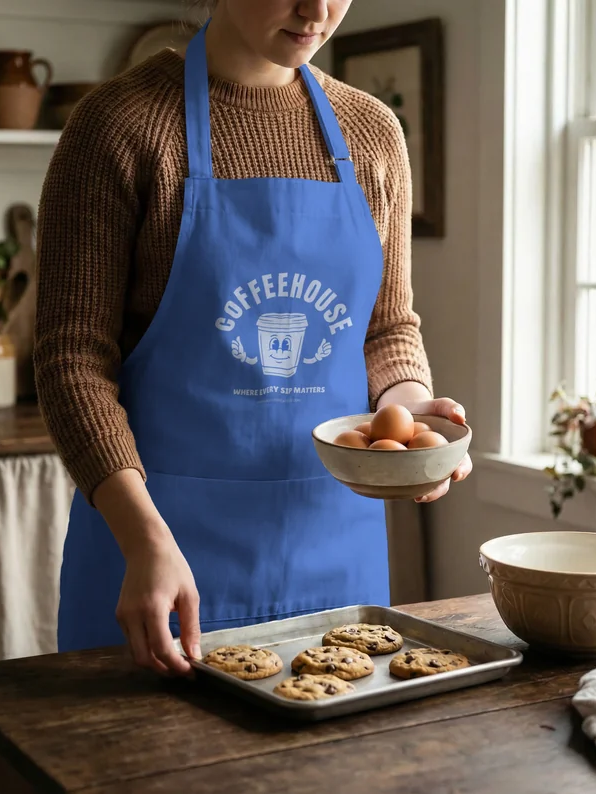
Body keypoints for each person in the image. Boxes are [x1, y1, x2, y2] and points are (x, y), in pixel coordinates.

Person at [35, 0, 472, 677]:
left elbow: (386, 325)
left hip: (333, 557)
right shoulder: (119, 126)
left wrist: (410, 419)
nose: (318, 9)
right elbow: (71, 360)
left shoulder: (373, 132)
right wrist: (143, 538)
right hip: (154, 556)